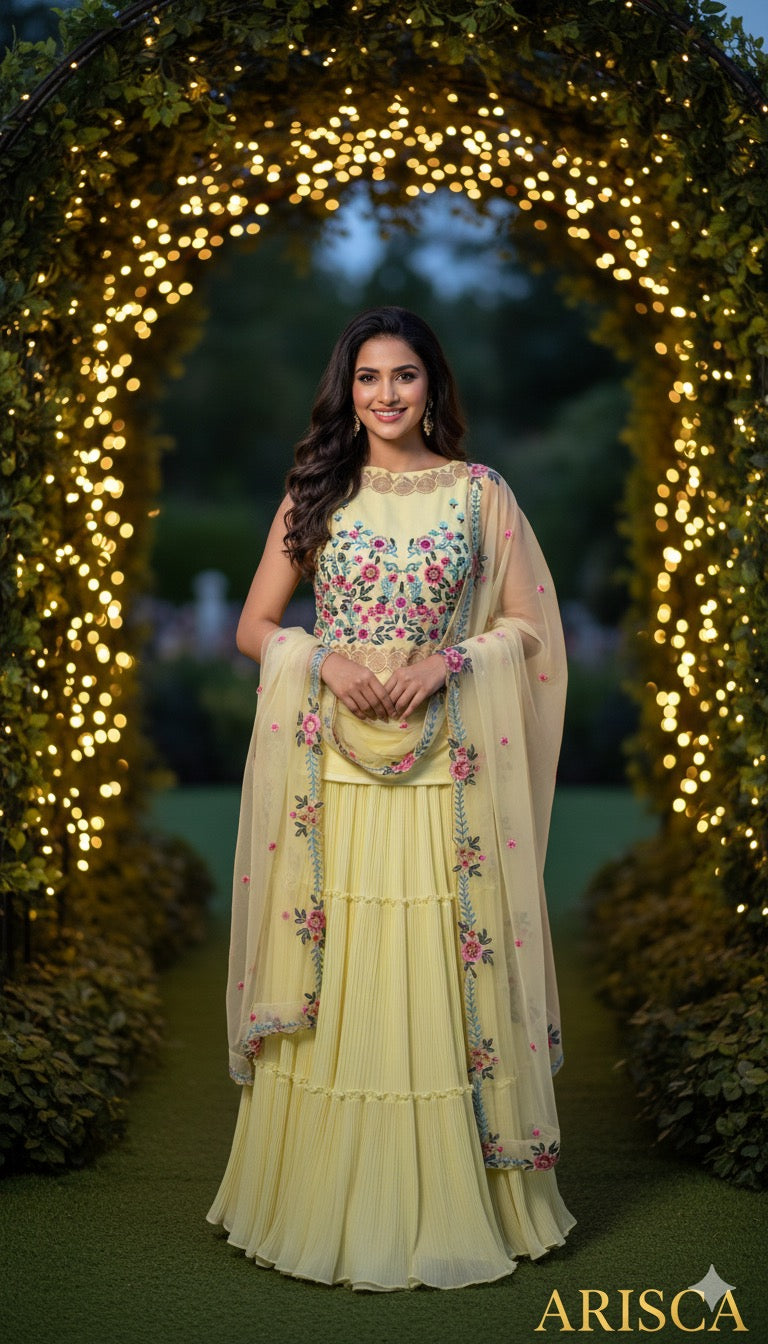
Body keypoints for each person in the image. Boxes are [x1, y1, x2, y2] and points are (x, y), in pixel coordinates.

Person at [206, 306, 576, 1290]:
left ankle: (458, 1203)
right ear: (346, 388)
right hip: (334, 777)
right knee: (348, 983)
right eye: (368, 378)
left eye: (404, 376)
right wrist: (321, 662)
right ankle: (321, 1201)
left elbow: (530, 630)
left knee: (431, 973)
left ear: (432, 385)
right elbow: (253, 626)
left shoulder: (480, 495)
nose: (385, 395)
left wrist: (451, 661)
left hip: (445, 778)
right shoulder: (317, 493)